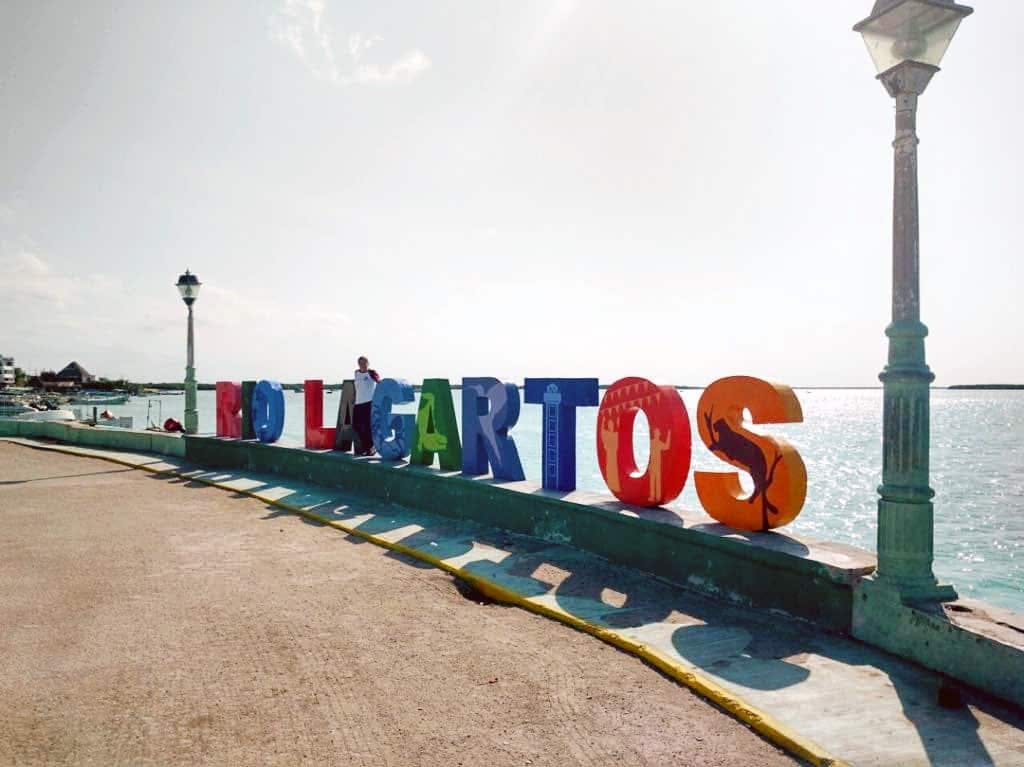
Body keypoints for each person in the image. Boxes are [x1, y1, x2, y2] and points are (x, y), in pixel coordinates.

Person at [352, 356, 380, 456]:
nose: (362, 365)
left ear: (368, 363)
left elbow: (379, 383)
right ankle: (367, 447)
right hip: (358, 404)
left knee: (367, 427)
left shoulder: (371, 373)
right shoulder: (356, 373)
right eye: (360, 363)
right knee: (356, 426)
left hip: (369, 403)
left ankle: (370, 448)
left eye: (364, 363)